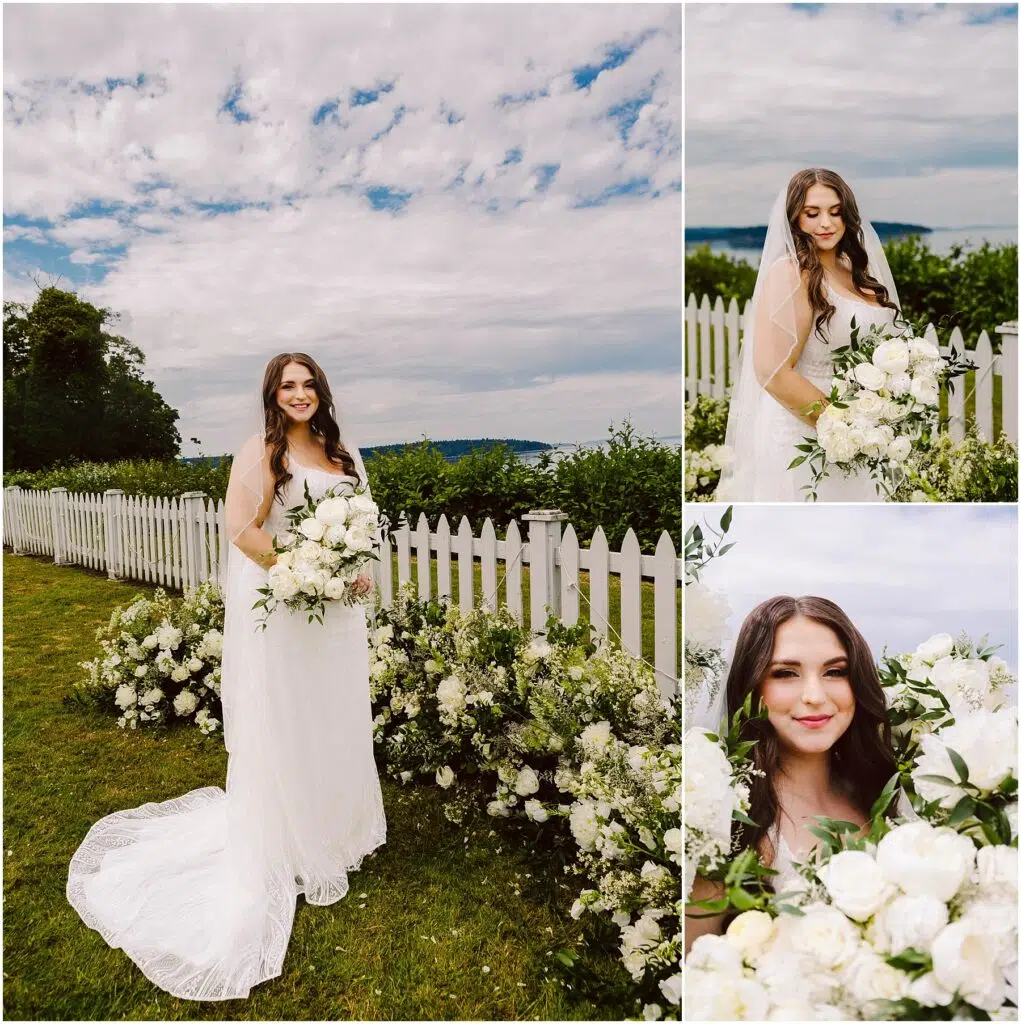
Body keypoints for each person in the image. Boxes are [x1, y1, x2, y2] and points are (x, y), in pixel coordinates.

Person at [67, 352, 386, 1000]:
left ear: (321, 391)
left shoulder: (342, 451)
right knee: (290, 719)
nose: (299, 394)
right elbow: (241, 530)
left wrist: (352, 568)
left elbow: (360, 523)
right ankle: (288, 842)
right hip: (289, 607)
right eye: (287, 385)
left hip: (336, 617)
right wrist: (307, 566)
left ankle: (335, 830)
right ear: (274, 395)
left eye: (308, 383)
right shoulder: (262, 450)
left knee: (333, 716)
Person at [684, 595, 896, 951]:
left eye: (835, 672)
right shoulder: (725, 825)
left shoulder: (885, 795)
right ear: (754, 686)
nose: (814, 696)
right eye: (785, 674)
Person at [716, 168, 902, 502]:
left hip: (865, 426)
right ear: (795, 219)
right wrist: (843, 426)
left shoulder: (855, 269)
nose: (826, 224)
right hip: (805, 433)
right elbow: (772, 372)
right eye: (812, 214)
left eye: (835, 212)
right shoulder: (790, 274)